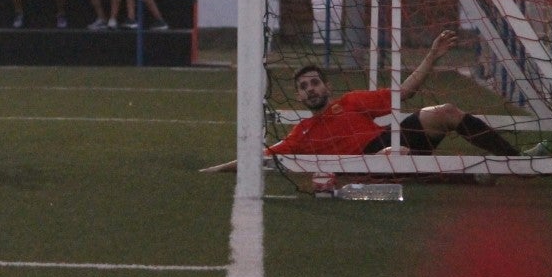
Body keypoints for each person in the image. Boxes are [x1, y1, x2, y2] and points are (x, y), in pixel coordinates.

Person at [200, 30, 521, 173]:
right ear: (299, 96)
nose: (310, 89)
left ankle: (516, 161)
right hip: (369, 162)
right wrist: (216, 169)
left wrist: (432, 56)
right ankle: (470, 179)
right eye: (303, 87)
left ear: (326, 86)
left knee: (446, 112)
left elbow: (404, 92)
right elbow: (262, 157)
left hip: (388, 140)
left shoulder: (352, 101)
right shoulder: (302, 133)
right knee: (394, 155)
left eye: (314, 83)